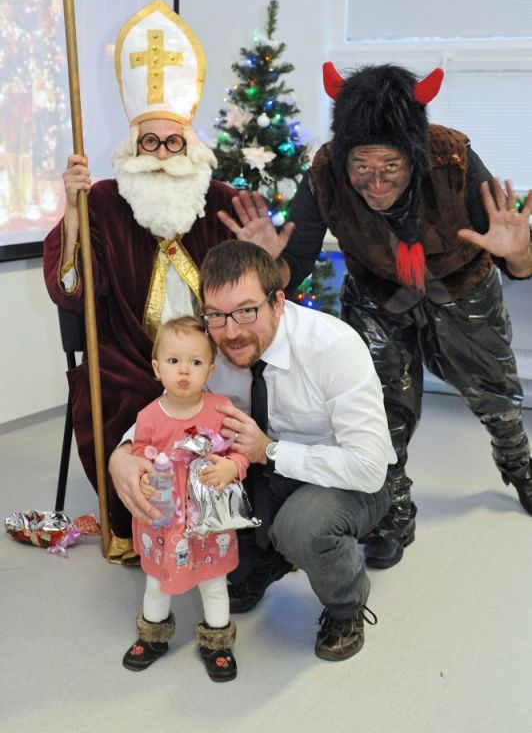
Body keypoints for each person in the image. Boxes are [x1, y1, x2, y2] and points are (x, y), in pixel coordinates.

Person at [218, 62, 532, 570]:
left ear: (413, 153)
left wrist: (519, 255)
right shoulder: (325, 173)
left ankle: (519, 465)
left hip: (461, 285)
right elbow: (292, 265)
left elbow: (517, 260)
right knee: (381, 410)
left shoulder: (453, 158)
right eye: (361, 166)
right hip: (377, 293)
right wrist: (269, 263)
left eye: (391, 164)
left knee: (495, 395)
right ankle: (392, 513)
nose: (377, 181)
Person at [111, 239, 396, 662]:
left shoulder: (334, 347)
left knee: (304, 528)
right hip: (261, 468)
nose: (231, 331)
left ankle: (346, 606)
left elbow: (369, 467)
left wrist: (269, 450)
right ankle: (267, 557)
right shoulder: (213, 346)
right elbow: (174, 404)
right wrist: (122, 453)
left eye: (247, 311)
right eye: (216, 315)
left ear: (277, 302)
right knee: (230, 556)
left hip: (345, 477)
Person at [43, 0, 236, 563]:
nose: (161, 155)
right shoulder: (102, 202)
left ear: (190, 145)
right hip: (132, 358)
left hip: (213, 356)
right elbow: (70, 289)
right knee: (107, 393)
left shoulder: (221, 202)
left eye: (173, 142)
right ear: (132, 147)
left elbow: (256, 286)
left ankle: (216, 517)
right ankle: (140, 522)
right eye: (149, 142)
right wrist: (72, 210)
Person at [123, 316, 248, 681]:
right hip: (164, 520)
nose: (183, 371)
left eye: (195, 362)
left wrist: (232, 466)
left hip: (207, 519)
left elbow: (241, 451)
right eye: (173, 361)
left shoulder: (220, 409)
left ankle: (217, 642)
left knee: (213, 581)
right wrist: (144, 479)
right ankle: (153, 636)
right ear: (156, 368)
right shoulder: (148, 417)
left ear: (210, 370)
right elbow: (138, 460)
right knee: (157, 581)